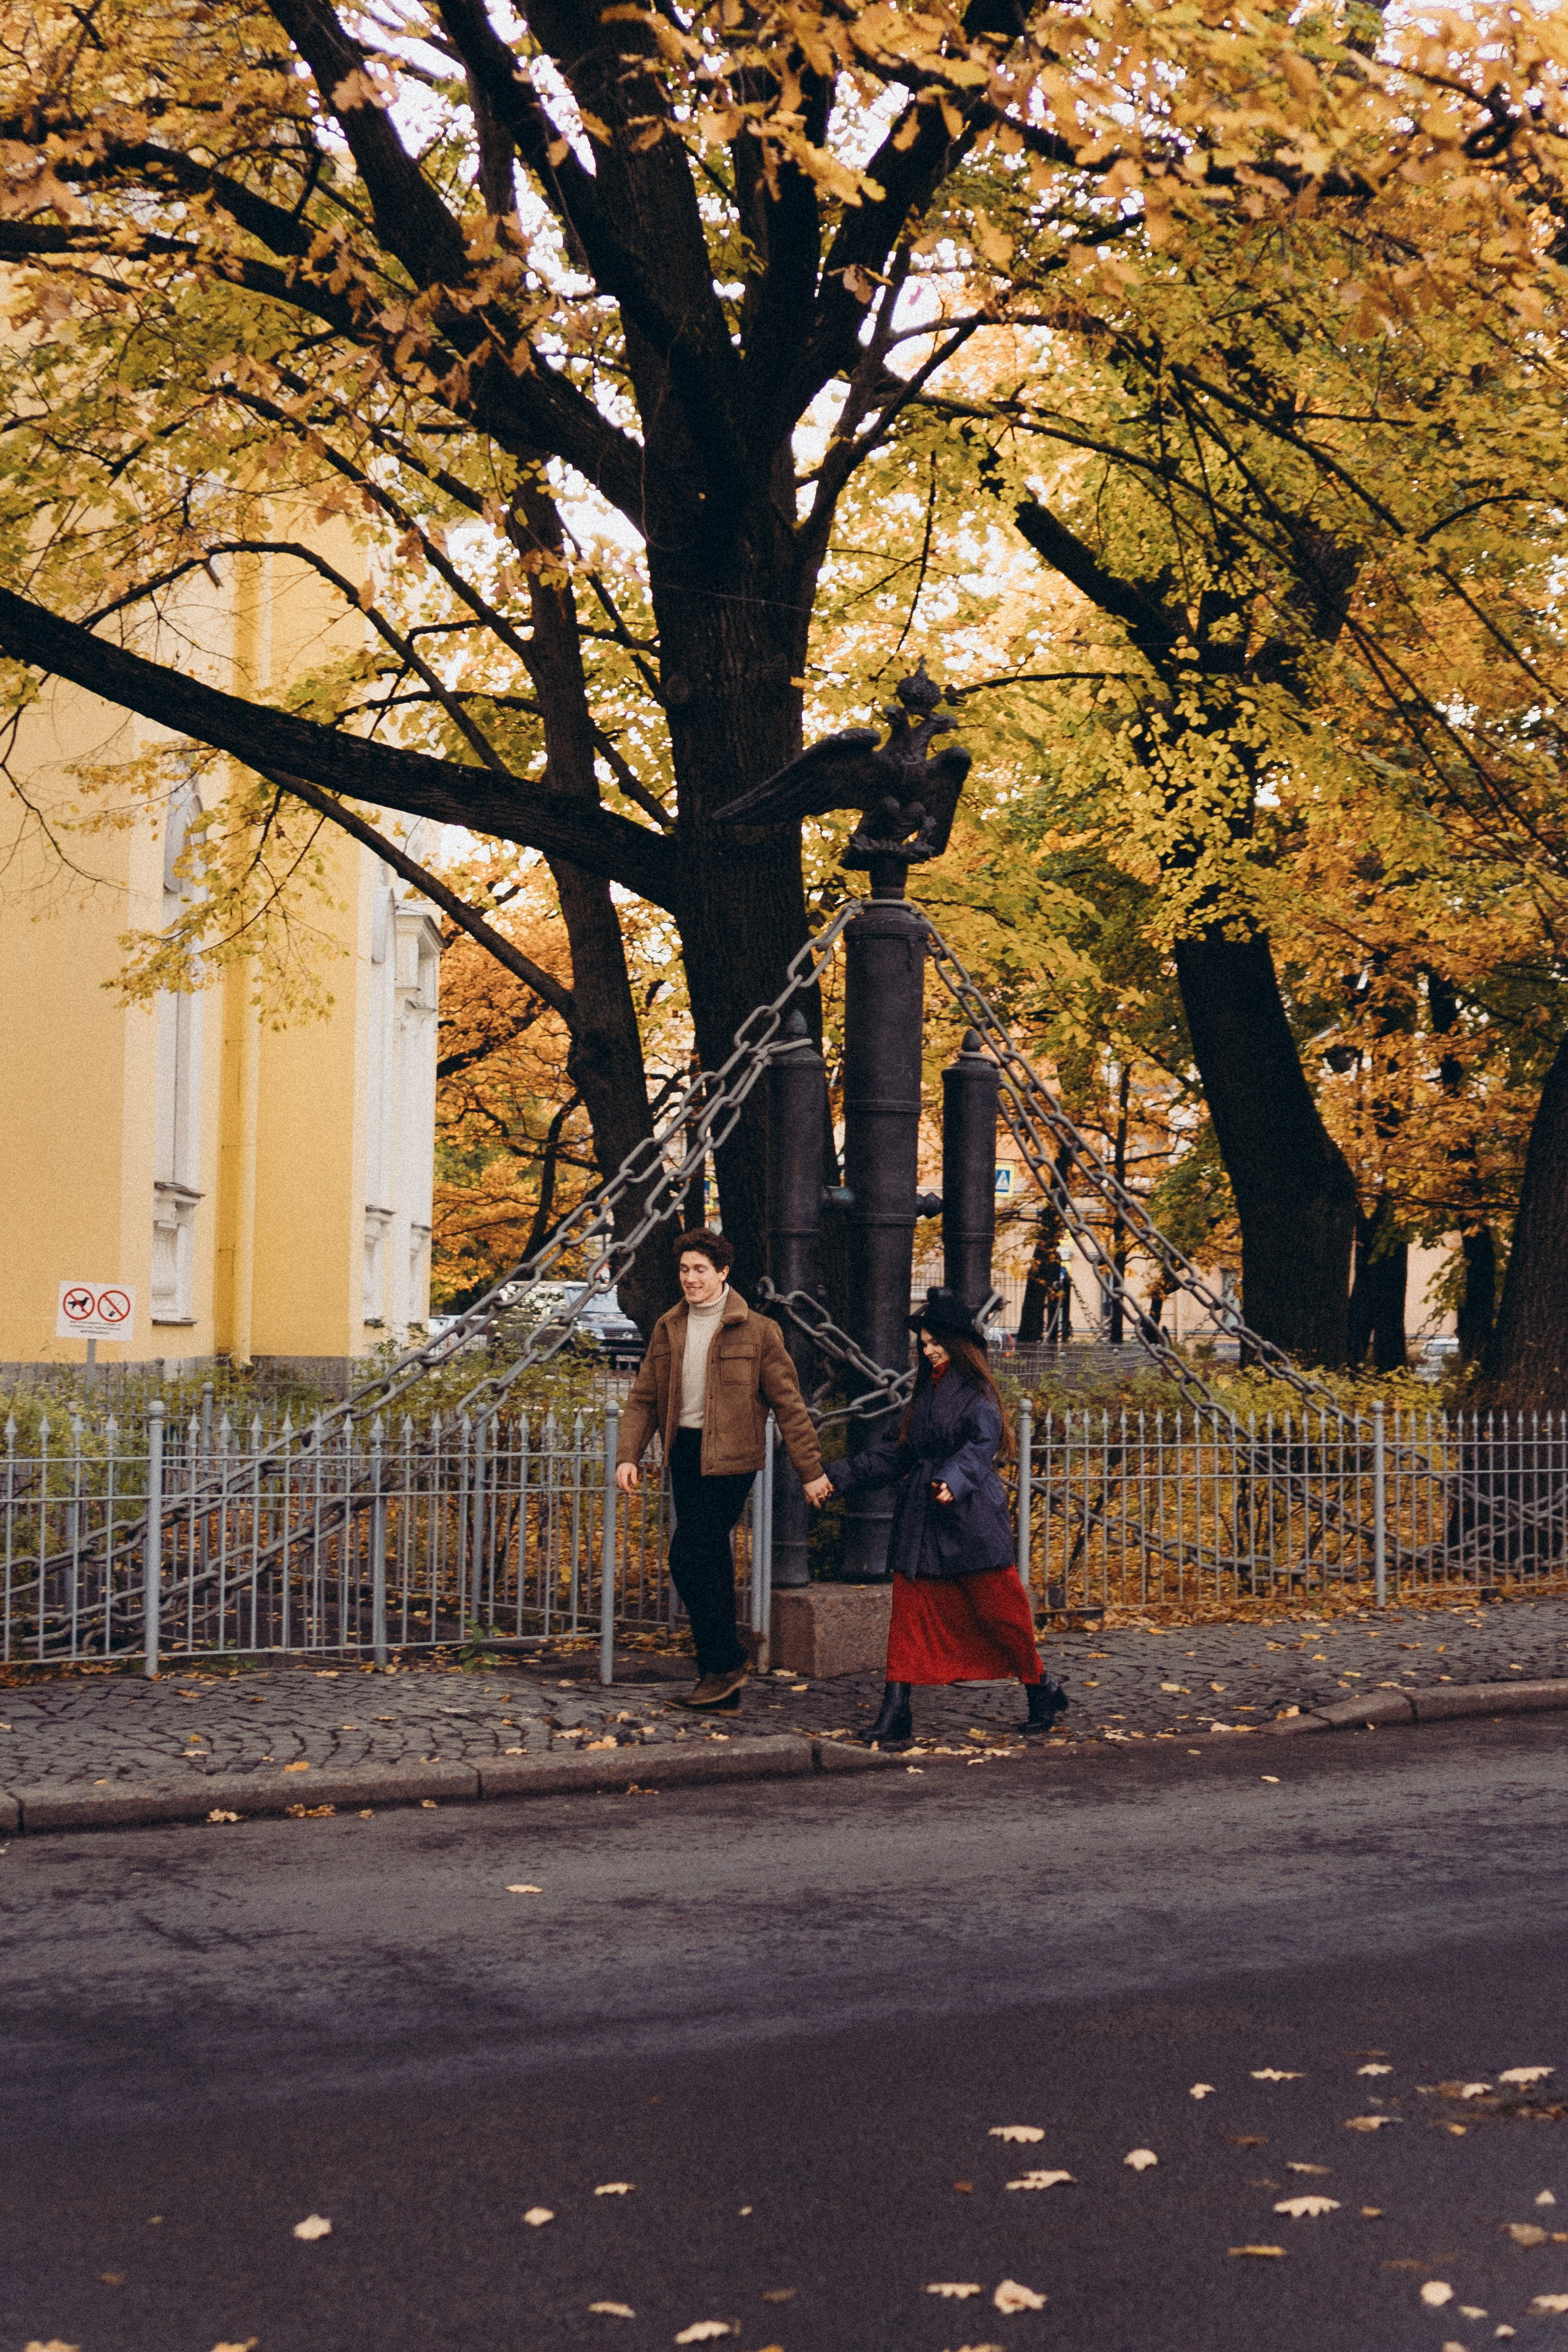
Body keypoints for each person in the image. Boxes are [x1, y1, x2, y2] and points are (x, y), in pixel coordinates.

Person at [815, 1286, 1068, 1746]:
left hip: (970, 1518)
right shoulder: (925, 1394)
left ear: (959, 1344)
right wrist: (840, 1476)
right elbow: (897, 1452)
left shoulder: (977, 1392)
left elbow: (982, 1443)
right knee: (908, 1618)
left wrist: (954, 1479)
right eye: (924, 1343)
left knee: (1002, 1615)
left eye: (935, 1342)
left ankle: (1041, 1690)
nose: (928, 1350)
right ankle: (896, 1712)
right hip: (922, 1520)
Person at [616, 1230, 833, 1709]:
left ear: (723, 1273)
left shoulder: (757, 1330)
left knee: (690, 1555)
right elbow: (644, 1399)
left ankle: (725, 1665)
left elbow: (790, 1405)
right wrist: (628, 1454)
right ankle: (722, 1678)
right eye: (684, 1270)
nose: (690, 1279)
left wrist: (810, 1470)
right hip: (686, 1454)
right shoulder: (669, 1327)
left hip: (732, 1459)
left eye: (700, 1270)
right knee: (706, 1559)